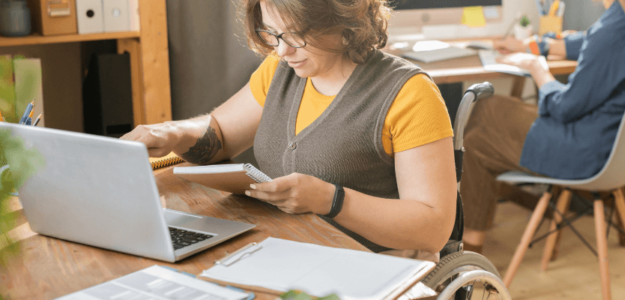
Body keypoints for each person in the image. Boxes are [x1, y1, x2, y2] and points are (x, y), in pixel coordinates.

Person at [121, 0, 457, 262]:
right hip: (283, 251)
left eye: (295, 35)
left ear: (343, 20)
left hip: (369, 264)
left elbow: (433, 229)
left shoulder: (409, 94)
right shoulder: (281, 70)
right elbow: (219, 135)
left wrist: (331, 199)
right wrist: (170, 133)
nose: (282, 50)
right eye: (272, 33)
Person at [460, 0, 625, 253]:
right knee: (478, 138)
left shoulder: (612, 31)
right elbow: (588, 43)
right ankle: (468, 250)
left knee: (485, 113)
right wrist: (532, 45)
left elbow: (564, 107)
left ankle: (465, 252)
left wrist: (538, 68)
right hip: (614, 147)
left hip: (584, 150)